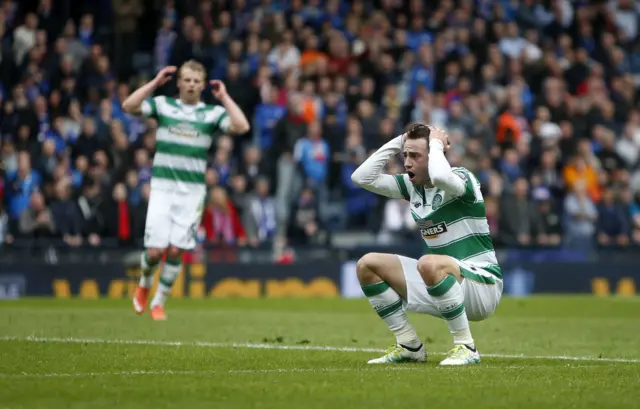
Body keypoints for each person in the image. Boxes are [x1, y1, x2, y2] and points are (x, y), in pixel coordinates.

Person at [350, 124, 503, 366]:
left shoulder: (462, 179)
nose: (407, 162)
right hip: (439, 280)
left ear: (434, 156)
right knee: (367, 265)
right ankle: (409, 345)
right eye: (406, 155)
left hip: (481, 285)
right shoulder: (413, 188)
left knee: (429, 263)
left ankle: (466, 347)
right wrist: (400, 140)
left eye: (415, 156)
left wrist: (436, 144)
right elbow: (361, 177)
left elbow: (441, 176)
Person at [122, 60, 250, 320]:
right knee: (156, 250)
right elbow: (129, 106)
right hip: (162, 187)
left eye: (196, 81)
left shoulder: (211, 114)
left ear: (202, 86)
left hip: (192, 193)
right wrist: (156, 82)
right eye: (187, 80)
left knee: (177, 249)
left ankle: (159, 303)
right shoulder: (163, 105)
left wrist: (224, 96)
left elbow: (241, 126)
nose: (191, 85)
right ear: (179, 82)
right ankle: (145, 284)